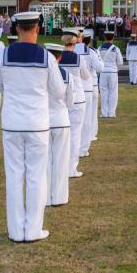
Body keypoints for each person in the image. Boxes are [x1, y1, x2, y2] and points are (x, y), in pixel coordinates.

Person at [0, 11, 66, 243]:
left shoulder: (3, 55)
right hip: (37, 124)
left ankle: (15, 230)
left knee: (13, 176)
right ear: (37, 29)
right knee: (36, 176)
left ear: (16, 29)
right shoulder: (47, 57)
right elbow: (59, 93)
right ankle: (32, 230)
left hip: (12, 123)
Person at [43, 43, 73, 206]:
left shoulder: (39, 73)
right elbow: (70, 101)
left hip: (44, 120)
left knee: (45, 161)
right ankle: (59, 197)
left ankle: (46, 197)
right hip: (61, 120)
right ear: (60, 57)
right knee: (61, 160)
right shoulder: (67, 74)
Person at [59, 28, 90, 178]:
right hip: (77, 99)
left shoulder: (56, 57)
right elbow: (86, 76)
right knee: (75, 133)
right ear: (75, 41)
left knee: (60, 134)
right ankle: (71, 168)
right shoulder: (79, 58)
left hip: (61, 98)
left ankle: (60, 166)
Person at [77, 29, 102, 158]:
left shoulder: (72, 51)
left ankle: (77, 145)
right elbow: (99, 68)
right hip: (88, 85)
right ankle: (84, 145)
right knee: (89, 116)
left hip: (74, 88)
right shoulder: (92, 52)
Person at [98, 31, 123, 118]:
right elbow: (120, 62)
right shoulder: (116, 49)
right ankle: (111, 113)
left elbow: (98, 61)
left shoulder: (100, 48)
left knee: (103, 92)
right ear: (113, 38)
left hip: (103, 72)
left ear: (105, 37)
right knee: (113, 92)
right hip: (112, 72)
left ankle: (104, 113)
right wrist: (116, 69)